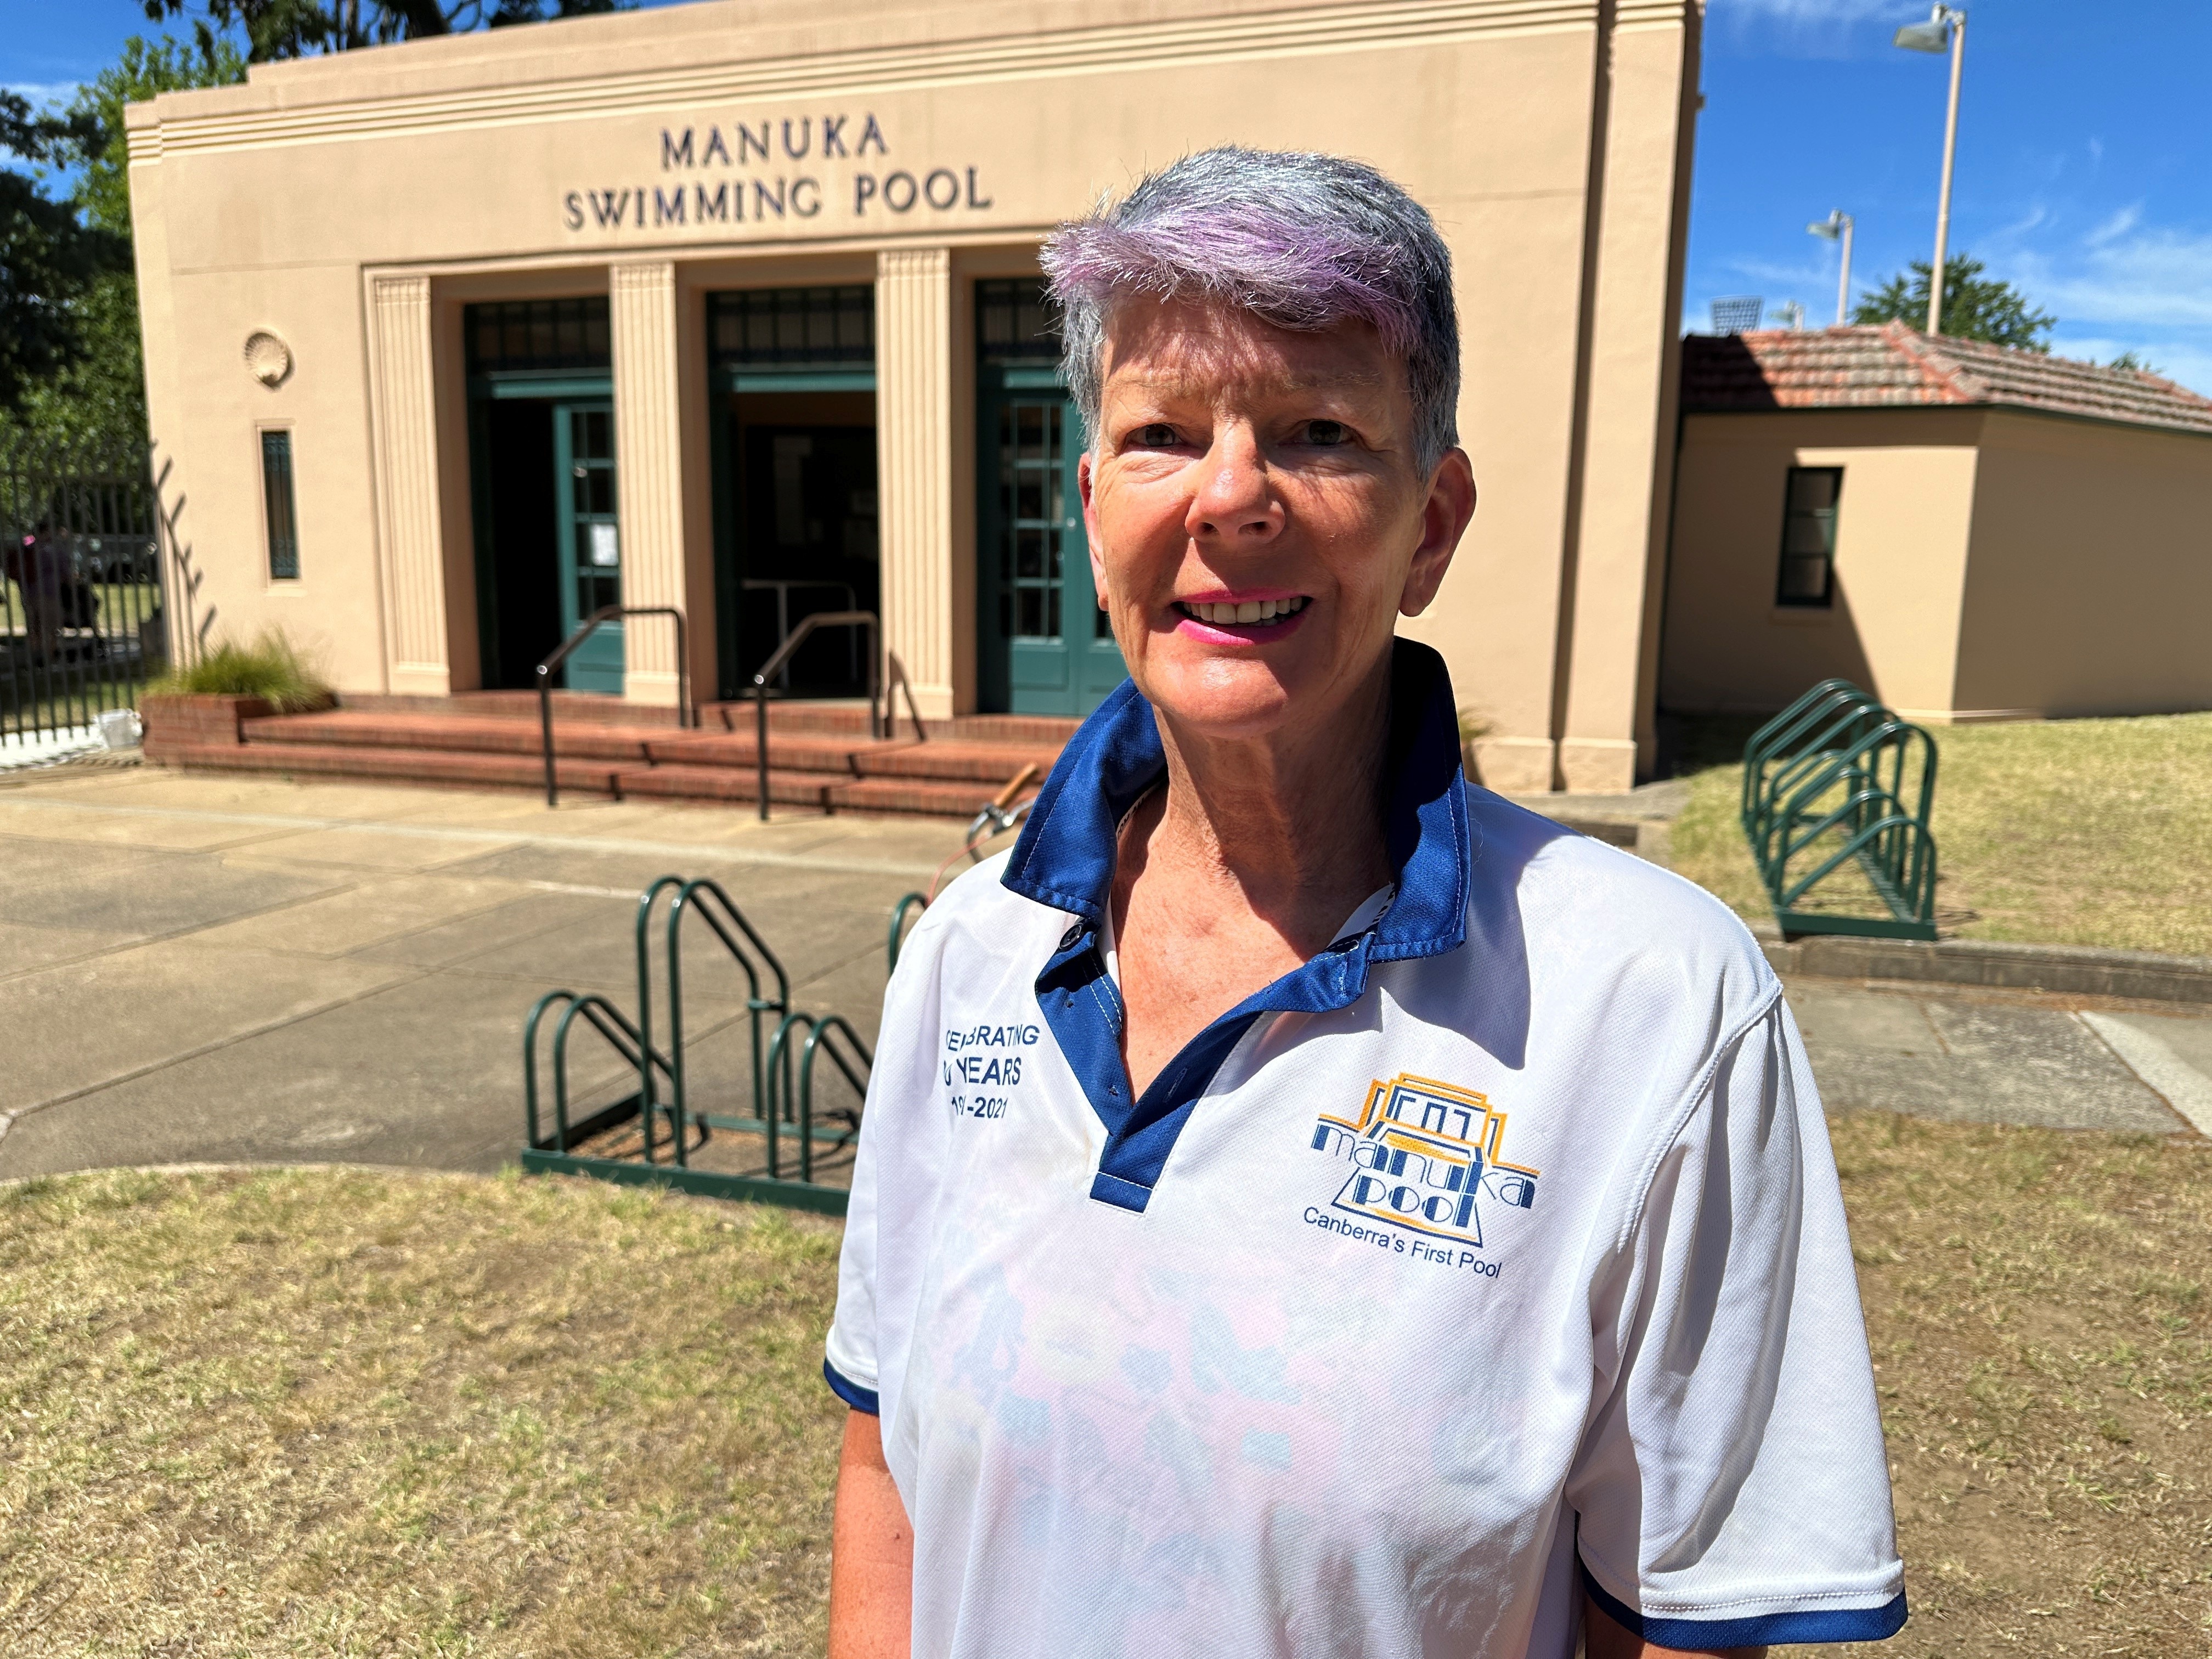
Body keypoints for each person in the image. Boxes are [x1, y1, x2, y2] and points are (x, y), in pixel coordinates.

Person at [823, 148, 1905, 1659]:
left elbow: (1689, 1626)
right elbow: (884, 1465)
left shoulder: (1651, 1006)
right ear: (1091, 508)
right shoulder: (970, 953)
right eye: (1161, 434)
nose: (1229, 498)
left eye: (1318, 431)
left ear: (1434, 522)